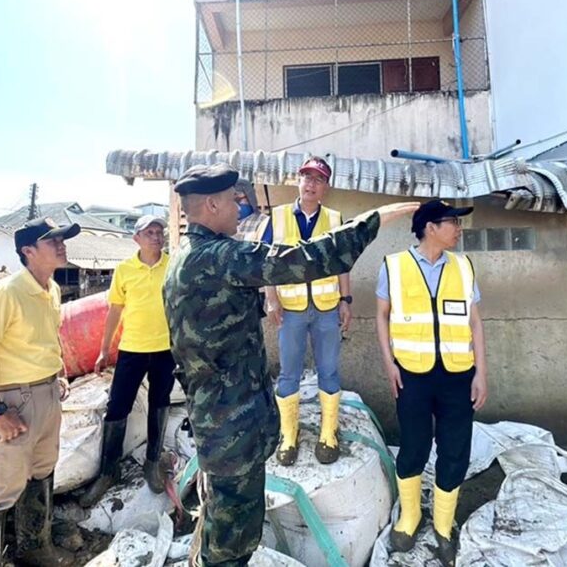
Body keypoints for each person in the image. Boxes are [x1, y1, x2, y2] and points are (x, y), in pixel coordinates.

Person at [164, 162, 419, 567]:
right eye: (234, 200)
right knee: (231, 540)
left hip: (220, 417)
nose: (239, 207)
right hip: (231, 425)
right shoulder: (217, 257)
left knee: (225, 524)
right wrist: (372, 221)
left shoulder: (184, 257)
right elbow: (298, 261)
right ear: (211, 204)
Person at [0, 216, 80, 567]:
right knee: (1, 488)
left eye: (62, 238)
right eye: (52, 240)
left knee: (42, 471)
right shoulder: (7, 293)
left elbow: (45, 340)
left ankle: (35, 549)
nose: (61, 245)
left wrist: (57, 375)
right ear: (28, 251)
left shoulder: (51, 289)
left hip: (46, 393)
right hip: (14, 400)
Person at [375, 199, 488, 565]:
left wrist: (481, 373)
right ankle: (410, 518)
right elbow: (381, 316)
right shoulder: (393, 266)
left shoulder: (464, 266)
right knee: (413, 447)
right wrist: (389, 363)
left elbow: (475, 323)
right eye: (452, 222)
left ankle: (442, 526)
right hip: (412, 375)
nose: (458, 229)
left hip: (457, 376)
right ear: (429, 227)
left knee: (455, 451)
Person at [259, 156, 351, 466]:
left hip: (326, 309)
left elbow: (342, 264)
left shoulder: (336, 219)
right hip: (291, 310)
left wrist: (346, 300)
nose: (311, 184)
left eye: (318, 179)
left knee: (329, 370)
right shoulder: (280, 216)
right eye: (306, 177)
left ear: (326, 187)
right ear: (298, 181)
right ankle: (289, 435)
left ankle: (328, 433)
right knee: (289, 374)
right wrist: (271, 298)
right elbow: (267, 262)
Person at [79, 214, 176, 507]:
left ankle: (152, 462)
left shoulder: (172, 265)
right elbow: (114, 311)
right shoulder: (124, 270)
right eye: (150, 232)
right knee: (117, 408)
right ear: (136, 238)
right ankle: (110, 471)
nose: (156, 237)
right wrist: (103, 349)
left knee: (160, 404)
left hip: (164, 349)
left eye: (159, 232)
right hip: (131, 349)